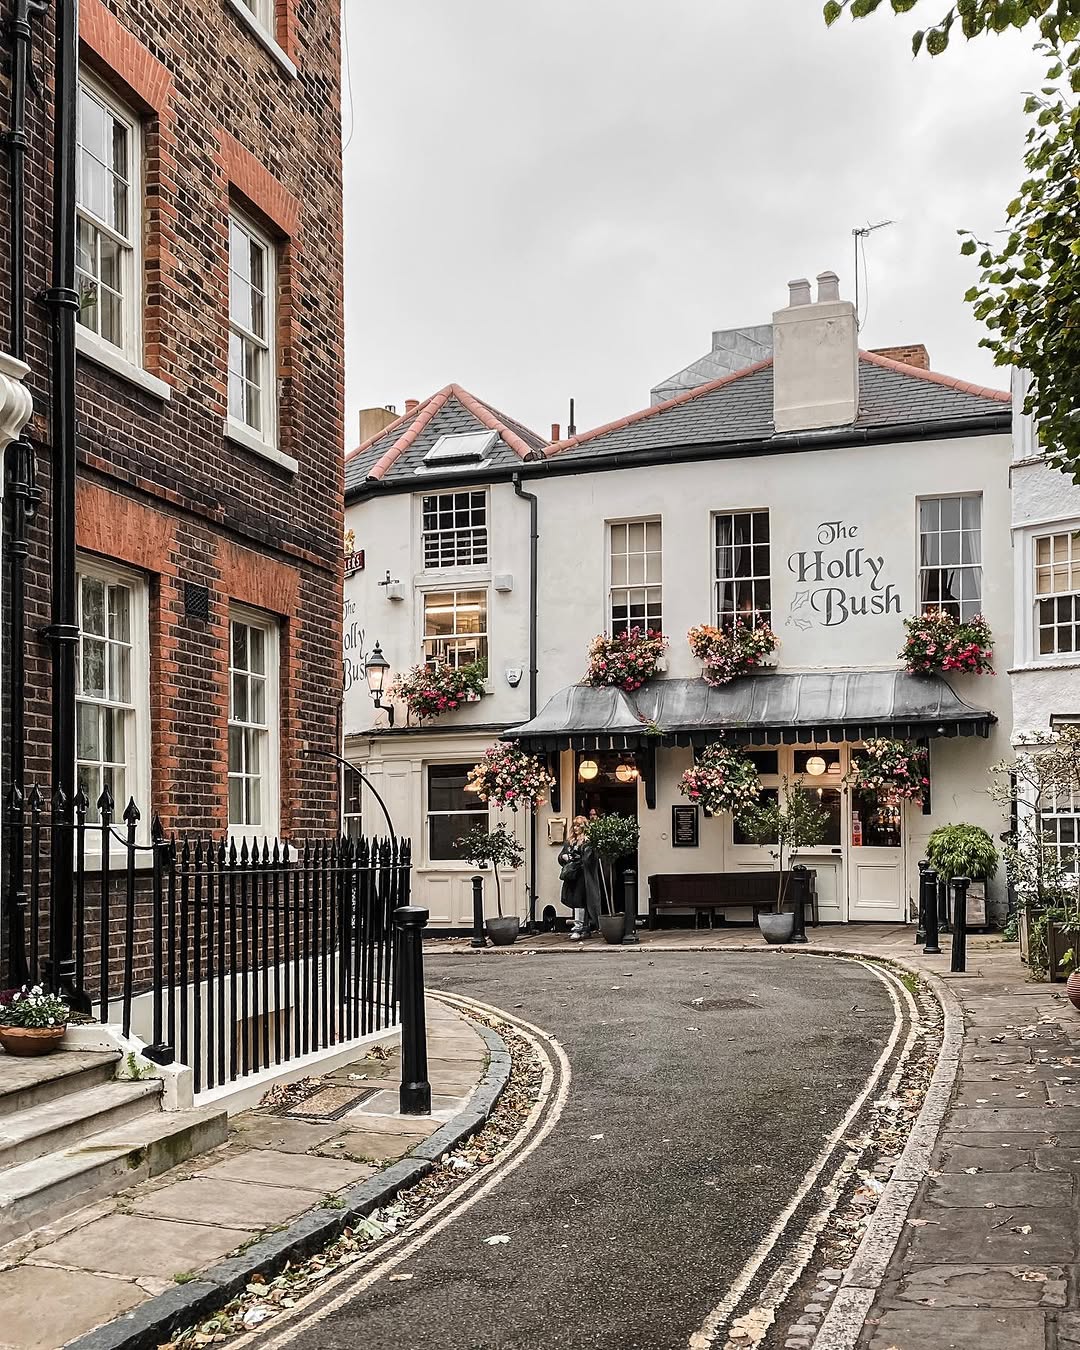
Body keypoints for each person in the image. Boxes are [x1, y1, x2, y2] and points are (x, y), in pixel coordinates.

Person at [558, 816, 591, 940]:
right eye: (575, 826)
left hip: (582, 874)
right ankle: (584, 927)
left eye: (579, 826)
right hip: (571, 875)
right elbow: (560, 856)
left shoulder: (587, 841)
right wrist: (564, 857)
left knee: (579, 899)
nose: (576, 828)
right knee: (570, 898)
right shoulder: (570, 841)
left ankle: (578, 927)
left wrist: (577, 858)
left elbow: (588, 859)